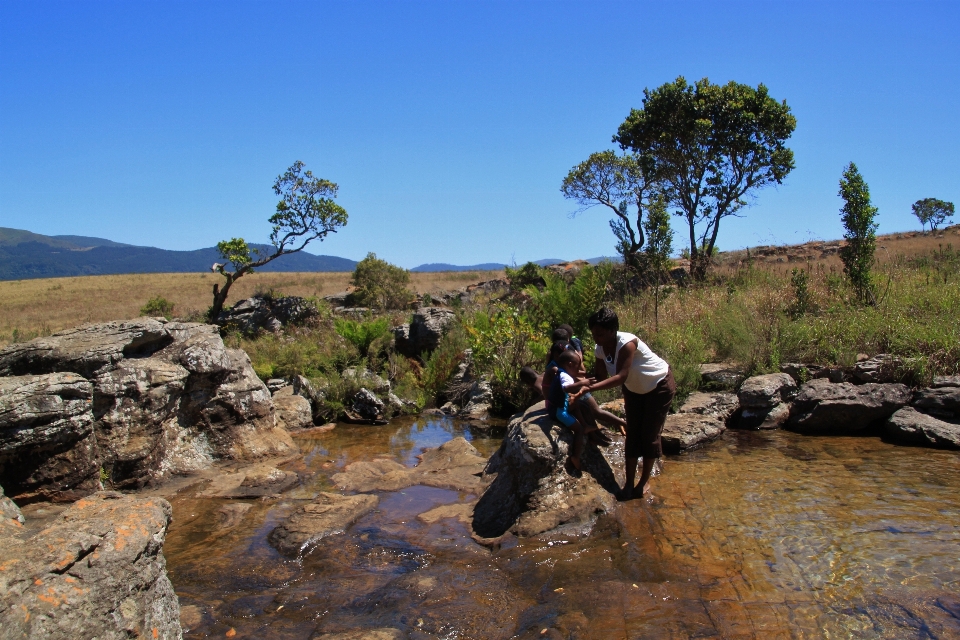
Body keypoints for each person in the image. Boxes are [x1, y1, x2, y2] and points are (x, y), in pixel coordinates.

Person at [572, 307, 675, 499]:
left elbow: (620, 377)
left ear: (613, 330)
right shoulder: (600, 348)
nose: (596, 338)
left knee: (649, 434)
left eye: (600, 334)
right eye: (594, 334)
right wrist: (578, 383)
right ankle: (628, 483)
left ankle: (643, 483)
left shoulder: (627, 343)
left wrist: (589, 389)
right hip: (634, 389)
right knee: (633, 433)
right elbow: (601, 376)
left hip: (658, 385)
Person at [549, 349, 593, 472]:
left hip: (556, 406)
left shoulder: (560, 372)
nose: (578, 371)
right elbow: (566, 388)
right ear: (569, 365)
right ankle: (576, 457)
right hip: (558, 411)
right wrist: (583, 383)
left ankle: (586, 425)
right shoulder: (565, 376)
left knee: (577, 404)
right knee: (579, 430)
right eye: (577, 367)